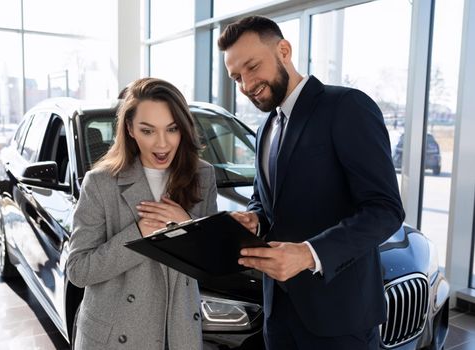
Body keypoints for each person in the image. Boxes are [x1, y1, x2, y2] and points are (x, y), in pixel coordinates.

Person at [218, 16, 405, 349]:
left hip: (339, 317)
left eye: (252, 67)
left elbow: (386, 210)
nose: (246, 85)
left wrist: (309, 254)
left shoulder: (347, 107)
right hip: (278, 315)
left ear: (284, 50)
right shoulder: (265, 129)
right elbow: (265, 202)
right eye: (236, 77)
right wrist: (254, 219)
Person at [67, 77, 218, 350]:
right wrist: (139, 235)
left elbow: (211, 263)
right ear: (130, 129)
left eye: (172, 129)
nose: (162, 144)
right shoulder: (101, 183)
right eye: (148, 131)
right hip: (116, 336)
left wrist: (187, 226)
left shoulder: (203, 175)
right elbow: (78, 270)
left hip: (179, 333)